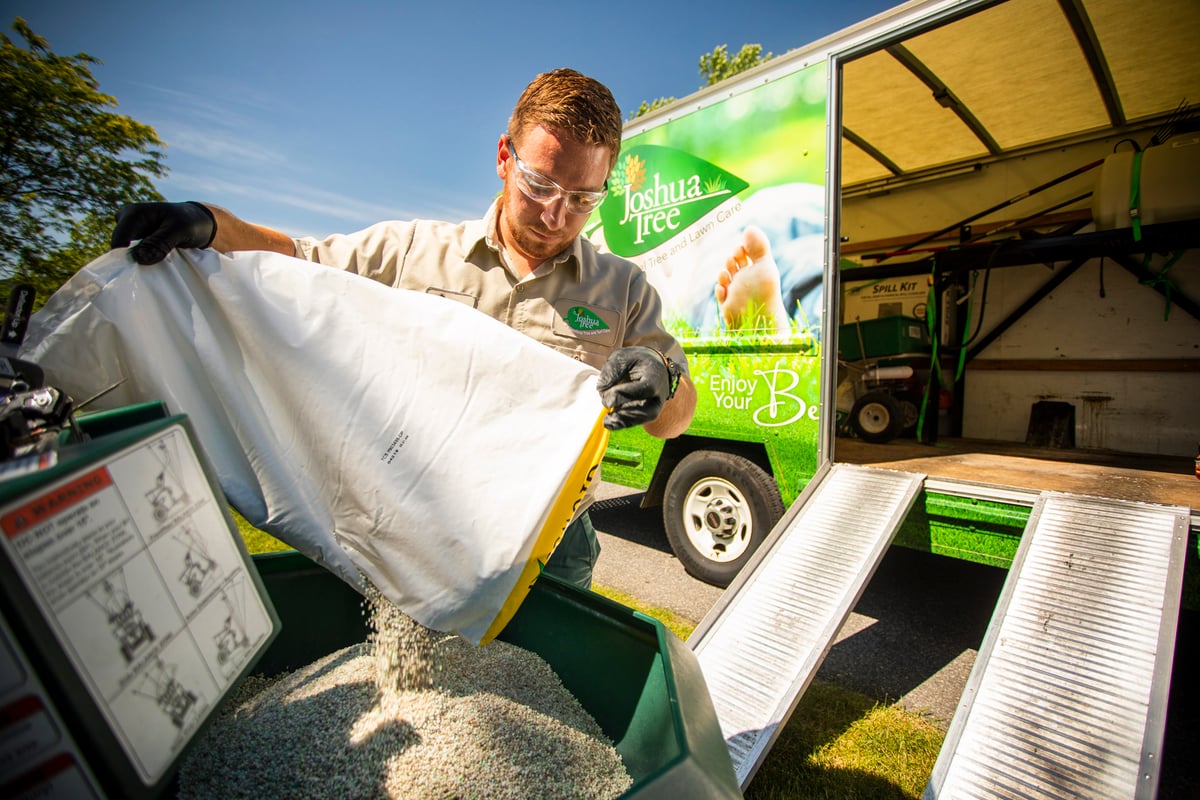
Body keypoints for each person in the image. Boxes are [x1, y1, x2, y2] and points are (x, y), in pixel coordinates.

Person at [108, 67, 697, 590]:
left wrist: (662, 383)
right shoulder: (413, 250)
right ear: (503, 155)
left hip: (550, 549)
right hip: (412, 521)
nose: (555, 214)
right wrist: (211, 226)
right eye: (540, 185)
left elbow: (678, 421)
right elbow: (299, 259)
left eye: (582, 198)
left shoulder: (623, 289)